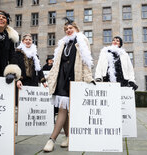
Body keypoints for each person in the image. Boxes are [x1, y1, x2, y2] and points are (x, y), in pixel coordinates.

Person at [43, 18, 94, 152]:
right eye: (66, 29)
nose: (68, 30)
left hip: (73, 77)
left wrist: (88, 78)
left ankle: (52, 139)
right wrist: (47, 78)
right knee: (63, 108)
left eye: (70, 28)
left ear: (76, 29)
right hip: (61, 78)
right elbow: (56, 64)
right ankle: (68, 137)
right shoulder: (63, 44)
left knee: (62, 109)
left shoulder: (81, 41)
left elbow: (86, 61)